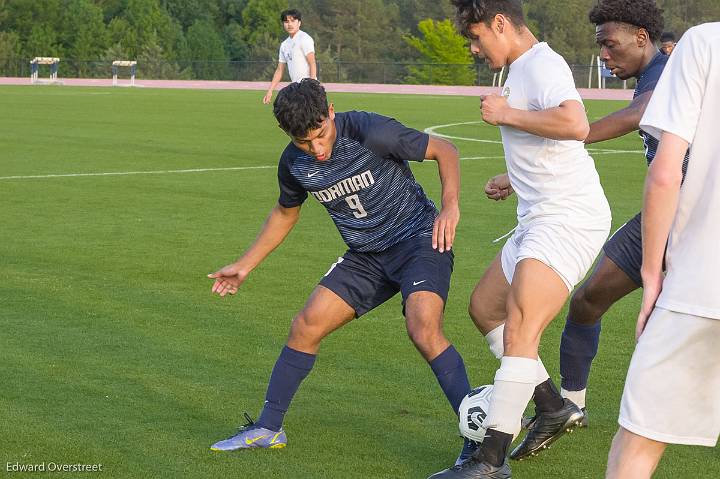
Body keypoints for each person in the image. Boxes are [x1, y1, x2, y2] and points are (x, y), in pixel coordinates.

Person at [209, 79, 473, 463]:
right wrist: (245, 265)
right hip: (366, 256)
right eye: (304, 142)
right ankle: (268, 428)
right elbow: (286, 212)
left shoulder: (370, 130)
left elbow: (444, 150)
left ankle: (477, 432)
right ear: (286, 134)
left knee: (422, 326)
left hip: (418, 239)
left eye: (320, 135)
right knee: (307, 324)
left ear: (330, 111)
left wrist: (450, 206)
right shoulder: (293, 163)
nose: (316, 150)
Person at [429, 1, 611, 477]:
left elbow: (575, 124)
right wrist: (514, 175)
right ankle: (552, 407)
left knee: (519, 330)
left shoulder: (542, 64)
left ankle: (490, 463)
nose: (473, 48)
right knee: (485, 308)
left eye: (476, 37)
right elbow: (549, 139)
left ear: (501, 24)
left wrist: (506, 113)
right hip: (539, 214)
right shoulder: (519, 69)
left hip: (567, 218)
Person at [520, 0, 690, 449]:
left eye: (610, 45)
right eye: (600, 47)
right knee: (588, 300)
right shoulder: (653, 74)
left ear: (641, 37)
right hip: (662, 215)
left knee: (685, 326)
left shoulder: (670, 71)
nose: (604, 55)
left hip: (702, 216)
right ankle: (570, 406)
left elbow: (645, 111)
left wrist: (576, 130)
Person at [606, 22, 720, 478]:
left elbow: (665, 172)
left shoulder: (704, 41)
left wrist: (652, 274)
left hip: (699, 280)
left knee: (638, 439)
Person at [262, 9, 317, 104]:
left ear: (299, 23)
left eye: (293, 21)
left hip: (308, 88)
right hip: (296, 88)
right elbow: (280, 70)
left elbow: (312, 63)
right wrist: (270, 91)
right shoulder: (284, 45)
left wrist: (312, 86)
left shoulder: (304, 39)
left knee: (313, 118)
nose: (289, 24)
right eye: (286, 21)